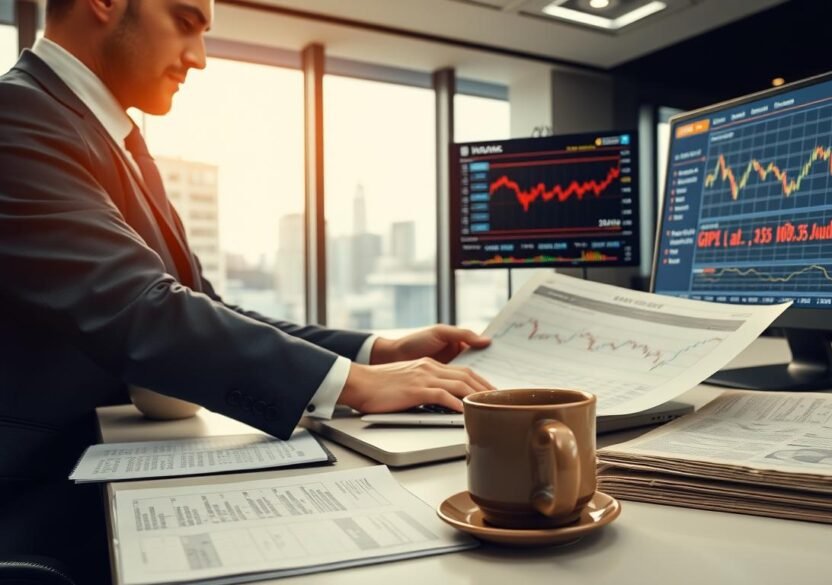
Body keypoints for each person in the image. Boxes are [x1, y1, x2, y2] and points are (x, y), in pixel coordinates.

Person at [0, 0, 493, 580]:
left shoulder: (117, 144)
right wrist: (355, 385)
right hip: (39, 507)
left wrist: (374, 352)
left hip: (94, 475)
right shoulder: (17, 117)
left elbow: (202, 306)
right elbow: (138, 310)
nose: (200, 58)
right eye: (186, 22)